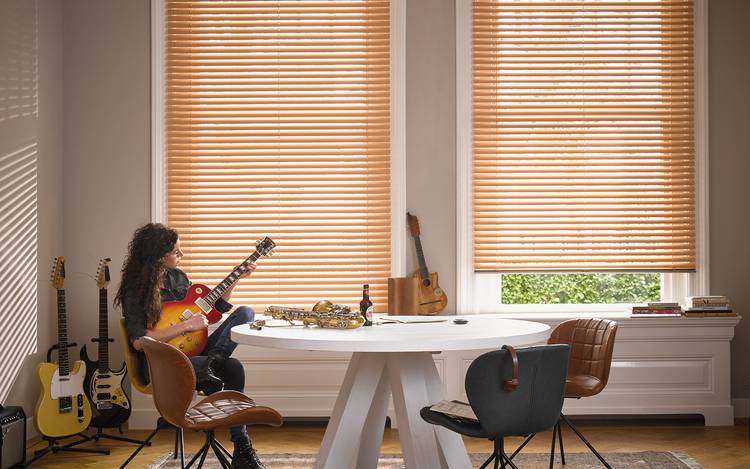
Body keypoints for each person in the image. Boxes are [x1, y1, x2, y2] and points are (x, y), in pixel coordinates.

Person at [115, 222, 265, 469]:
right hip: (161, 364)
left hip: (195, 354)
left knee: (246, 313)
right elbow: (139, 342)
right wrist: (185, 326)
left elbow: (211, 310)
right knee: (233, 368)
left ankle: (241, 446)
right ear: (158, 255)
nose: (181, 255)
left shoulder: (178, 277)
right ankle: (211, 367)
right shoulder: (136, 289)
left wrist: (235, 279)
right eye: (176, 251)